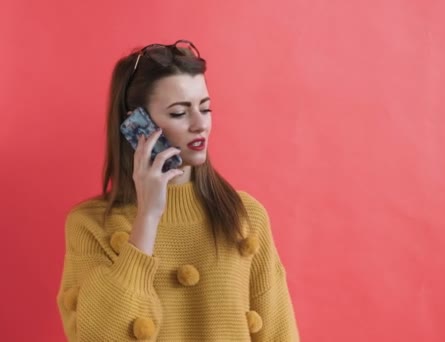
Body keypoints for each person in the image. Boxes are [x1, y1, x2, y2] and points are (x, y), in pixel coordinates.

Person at [57, 39, 299, 341]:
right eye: (179, 113)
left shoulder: (245, 215)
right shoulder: (90, 224)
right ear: (137, 123)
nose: (200, 124)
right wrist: (147, 216)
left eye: (205, 108)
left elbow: (279, 333)